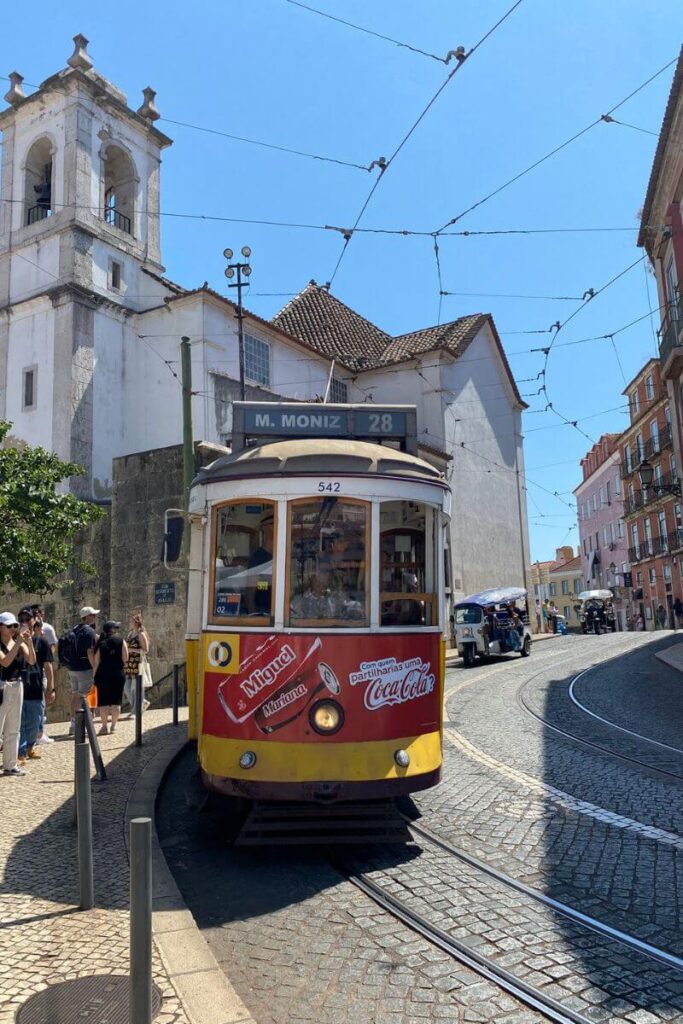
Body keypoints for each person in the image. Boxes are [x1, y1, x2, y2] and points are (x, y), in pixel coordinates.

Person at [0, 611, 36, 776]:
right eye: (10, 626)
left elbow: (31, 660)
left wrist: (29, 643)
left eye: (15, 625)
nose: (14, 629)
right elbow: (5, 662)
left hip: (17, 685)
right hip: (2, 686)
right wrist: (18, 643)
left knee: (13, 728)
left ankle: (10, 764)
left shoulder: (18, 643)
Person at [18, 615, 54, 763]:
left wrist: (51, 688)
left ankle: (29, 746)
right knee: (20, 723)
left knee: (35, 721)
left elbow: (47, 665)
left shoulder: (42, 642)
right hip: (19, 687)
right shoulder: (14, 643)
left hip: (35, 687)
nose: (29, 628)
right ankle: (20, 751)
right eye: (24, 623)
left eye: (32, 626)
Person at [65, 607, 99, 735]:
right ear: (88, 616)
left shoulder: (75, 629)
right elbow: (90, 651)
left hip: (72, 667)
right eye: (93, 615)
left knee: (75, 695)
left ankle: (73, 723)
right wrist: (95, 667)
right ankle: (81, 727)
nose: (95, 617)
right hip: (84, 668)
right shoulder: (89, 631)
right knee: (82, 697)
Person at [94, 621, 128, 735]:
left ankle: (104, 727)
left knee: (103, 701)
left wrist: (93, 676)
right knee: (116, 701)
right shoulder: (121, 641)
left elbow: (96, 661)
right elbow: (125, 658)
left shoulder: (100, 642)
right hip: (118, 673)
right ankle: (113, 726)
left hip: (102, 674)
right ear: (113, 629)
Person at [124, 614, 150, 715]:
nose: (129, 623)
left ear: (136, 622)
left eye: (131, 621)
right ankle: (141, 703)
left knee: (136, 689)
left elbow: (145, 650)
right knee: (127, 688)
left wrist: (131, 650)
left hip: (137, 664)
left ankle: (136, 710)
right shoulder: (130, 634)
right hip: (129, 665)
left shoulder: (141, 634)